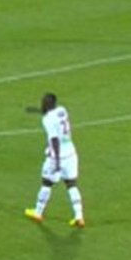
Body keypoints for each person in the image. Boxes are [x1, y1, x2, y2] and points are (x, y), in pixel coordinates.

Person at [24, 93, 85, 228]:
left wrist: (56, 161)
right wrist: (36, 111)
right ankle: (79, 216)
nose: (42, 103)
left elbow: (54, 139)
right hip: (71, 153)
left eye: (44, 102)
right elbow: (51, 115)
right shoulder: (62, 110)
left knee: (46, 183)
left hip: (57, 156)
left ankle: (38, 212)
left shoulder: (47, 120)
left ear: (48, 104)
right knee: (71, 184)